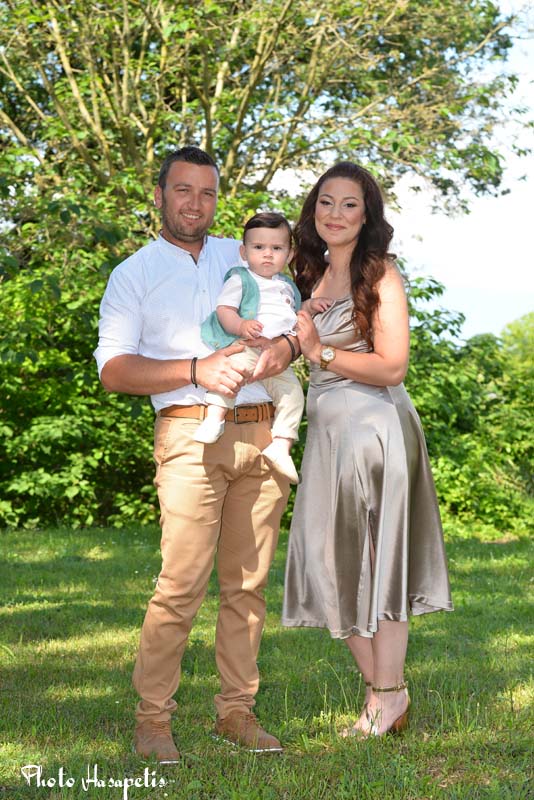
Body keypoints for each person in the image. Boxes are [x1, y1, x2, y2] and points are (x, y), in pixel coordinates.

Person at [94, 146, 300, 762]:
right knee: (181, 584)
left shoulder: (247, 255)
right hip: (189, 434)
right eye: (182, 190)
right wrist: (195, 369)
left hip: (262, 433)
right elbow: (113, 370)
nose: (195, 203)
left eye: (207, 192)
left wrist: (287, 350)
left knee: (248, 586)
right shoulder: (133, 273)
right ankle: (153, 720)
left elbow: (297, 319)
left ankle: (236, 712)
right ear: (160, 195)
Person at [282, 161, 453, 737]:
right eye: (326, 202)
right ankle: (389, 692)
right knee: (323, 560)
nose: (335, 213)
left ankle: (383, 697)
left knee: (379, 563)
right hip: (328, 434)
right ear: (313, 210)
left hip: (374, 430)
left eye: (349, 204)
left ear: (366, 215)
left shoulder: (381, 274)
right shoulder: (307, 272)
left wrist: (321, 354)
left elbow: (392, 366)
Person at [196, 211, 332, 484]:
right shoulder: (241, 279)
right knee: (231, 375)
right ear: (244, 252)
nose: (268, 254)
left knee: (293, 395)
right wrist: (241, 325)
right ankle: (214, 417)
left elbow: (291, 314)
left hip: (275, 356)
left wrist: (309, 306)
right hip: (247, 346)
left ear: (289, 254)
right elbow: (224, 309)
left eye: (277, 248)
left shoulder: (287, 286)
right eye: (259, 247)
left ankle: (281, 445)